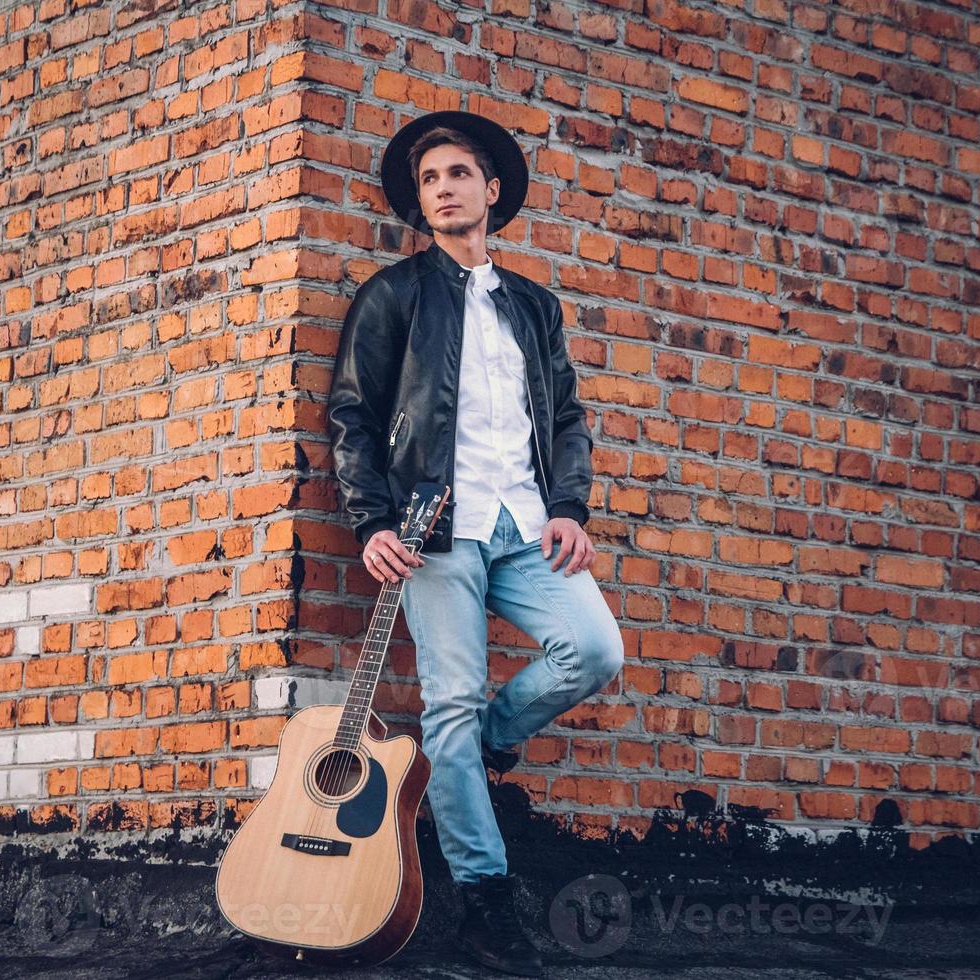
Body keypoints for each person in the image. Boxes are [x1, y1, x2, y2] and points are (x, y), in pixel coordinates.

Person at [327, 110, 625, 978]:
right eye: (430, 180)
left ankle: (493, 739)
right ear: (421, 204)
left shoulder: (535, 305)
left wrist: (569, 506)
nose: (444, 189)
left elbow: (565, 418)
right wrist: (372, 523)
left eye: (459, 174)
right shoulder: (394, 294)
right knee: (447, 705)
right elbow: (351, 415)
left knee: (595, 650)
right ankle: (486, 901)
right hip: (433, 531)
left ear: (491, 192)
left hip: (528, 526)